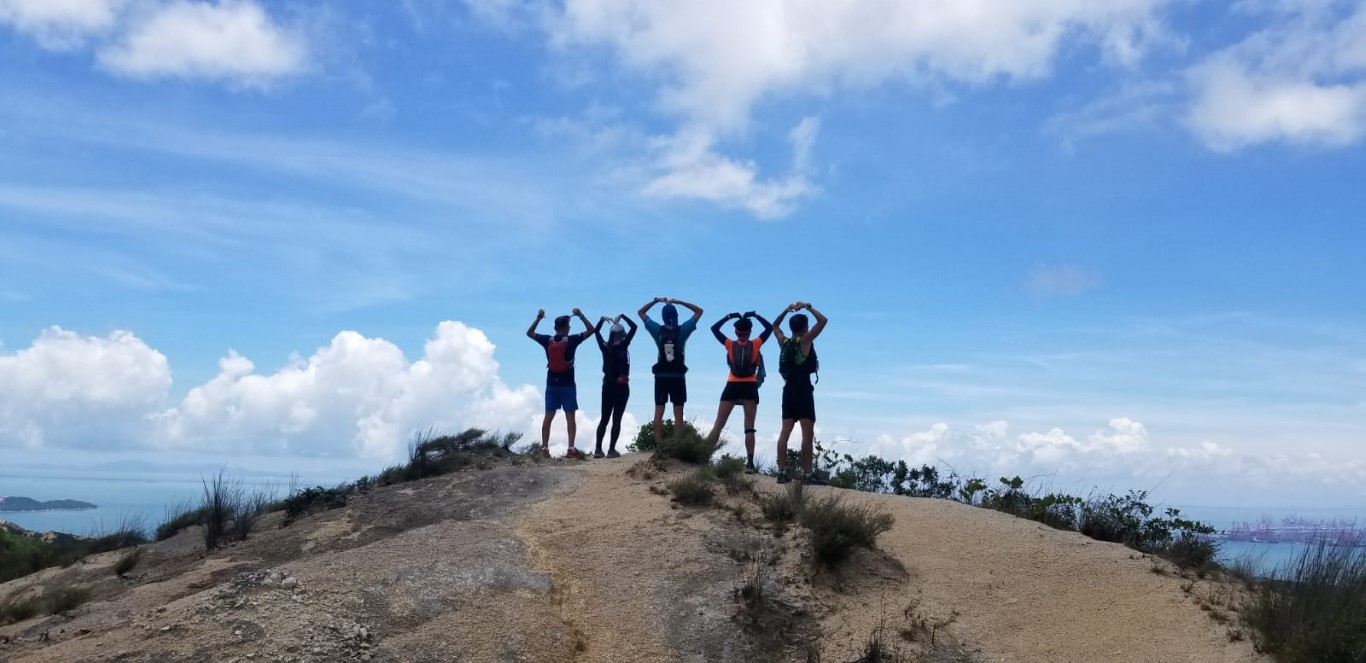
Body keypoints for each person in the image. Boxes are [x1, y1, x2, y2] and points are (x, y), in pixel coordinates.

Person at [705, 311, 773, 473]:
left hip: (732, 385)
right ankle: (750, 464)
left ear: (736, 331)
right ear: (750, 331)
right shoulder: (756, 344)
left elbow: (714, 329)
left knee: (718, 425)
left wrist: (728, 317)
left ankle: (703, 456)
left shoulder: (730, 344)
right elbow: (769, 328)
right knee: (749, 427)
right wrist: (756, 316)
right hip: (750, 386)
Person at [771, 301, 827, 484]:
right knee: (807, 433)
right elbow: (823, 321)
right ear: (804, 328)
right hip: (803, 390)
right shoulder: (805, 341)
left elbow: (775, 325)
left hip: (787, 390)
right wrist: (808, 306)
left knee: (784, 432)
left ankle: (781, 472)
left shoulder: (784, 342)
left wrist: (785, 310)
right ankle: (808, 474)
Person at [527, 308, 594, 457]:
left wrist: (538, 318)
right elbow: (591, 330)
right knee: (570, 417)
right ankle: (571, 448)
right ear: (567, 327)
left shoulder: (547, 340)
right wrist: (581, 315)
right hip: (568, 384)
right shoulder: (572, 340)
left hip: (551, 383)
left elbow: (529, 333)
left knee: (548, 417)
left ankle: (544, 448)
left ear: (555, 328)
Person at [638, 297, 704, 446]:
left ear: (663, 317)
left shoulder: (657, 330)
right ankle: (676, 447)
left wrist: (656, 301)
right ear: (676, 316)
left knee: (658, 413)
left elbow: (641, 312)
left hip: (661, 376)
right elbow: (699, 311)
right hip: (678, 377)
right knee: (678, 415)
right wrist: (681, 302)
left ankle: (659, 448)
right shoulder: (683, 330)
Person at [592, 314, 638, 458]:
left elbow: (596, 332)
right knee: (617, 418)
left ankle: (598, 450)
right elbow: (634, 327)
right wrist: (623, 316)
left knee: (604, 418)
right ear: (622, 334)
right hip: (621, 386)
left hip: (607, 385)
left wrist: (601, 320)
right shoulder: (624, 345)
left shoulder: (605, 347)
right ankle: (612, 449)